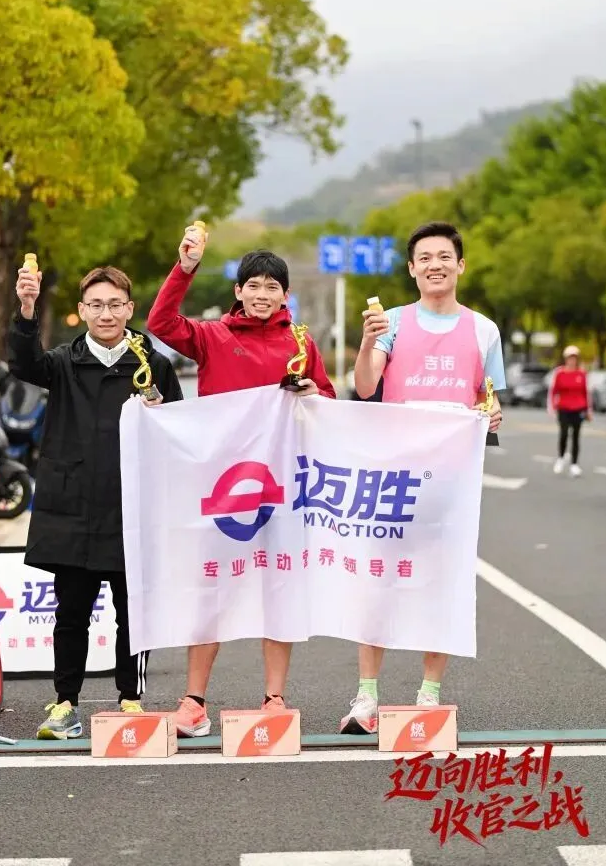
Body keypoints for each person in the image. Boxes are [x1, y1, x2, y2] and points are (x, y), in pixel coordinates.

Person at [147, 226, 335, 737]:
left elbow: (329, 403)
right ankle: (193, 702)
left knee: (279, 586)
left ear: (285, 295)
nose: (262, 294)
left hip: (282, 489)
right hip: (222, 487)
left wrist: (312, 393)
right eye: (253, 285)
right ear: (238, 291)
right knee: (211, 587)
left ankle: (274, 697)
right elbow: (160, 323)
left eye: (272, 287)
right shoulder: (212, 336)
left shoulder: (300, 342)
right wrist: (185, 268)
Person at [342, 220, 504, 735]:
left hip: (451, 482)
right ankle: (367, 697)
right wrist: (367, 344)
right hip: (393, 479)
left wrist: (492, 414)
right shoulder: (389, 321)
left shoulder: (484, 330)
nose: (436, 265)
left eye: (444, 257)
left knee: (441, 584)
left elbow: (488, 399)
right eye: (425, 258)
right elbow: (364, 386)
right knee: (378, 583)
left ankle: (428, 693)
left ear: (460, 265)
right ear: (412, 269)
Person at [10, 264, 183, 740]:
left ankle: (131, 699)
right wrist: (27, 308)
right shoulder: (63, 363)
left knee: (134, 614)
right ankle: (64, 703)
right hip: (74, 509)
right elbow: (23, 364)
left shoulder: (153, 365)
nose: (106, 314)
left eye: (115, 305)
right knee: (70, 615)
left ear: (130, 309)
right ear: (82, 311)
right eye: (97, 305)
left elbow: (180, 432)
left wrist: (161, 415)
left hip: (132, 508)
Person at [549, 345, 590, 477]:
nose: (572, 360)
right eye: (570, 358)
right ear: (566, 359)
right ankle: (561, 458)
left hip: (579, 409)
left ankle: (574, 464)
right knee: (564, 434)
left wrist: (588, 410)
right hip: (564, 408)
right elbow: (553, 391)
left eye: (574, 358)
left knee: (576, 436)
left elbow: (586, 393)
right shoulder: (559, 373)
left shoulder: (582, 374)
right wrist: (552, 407)